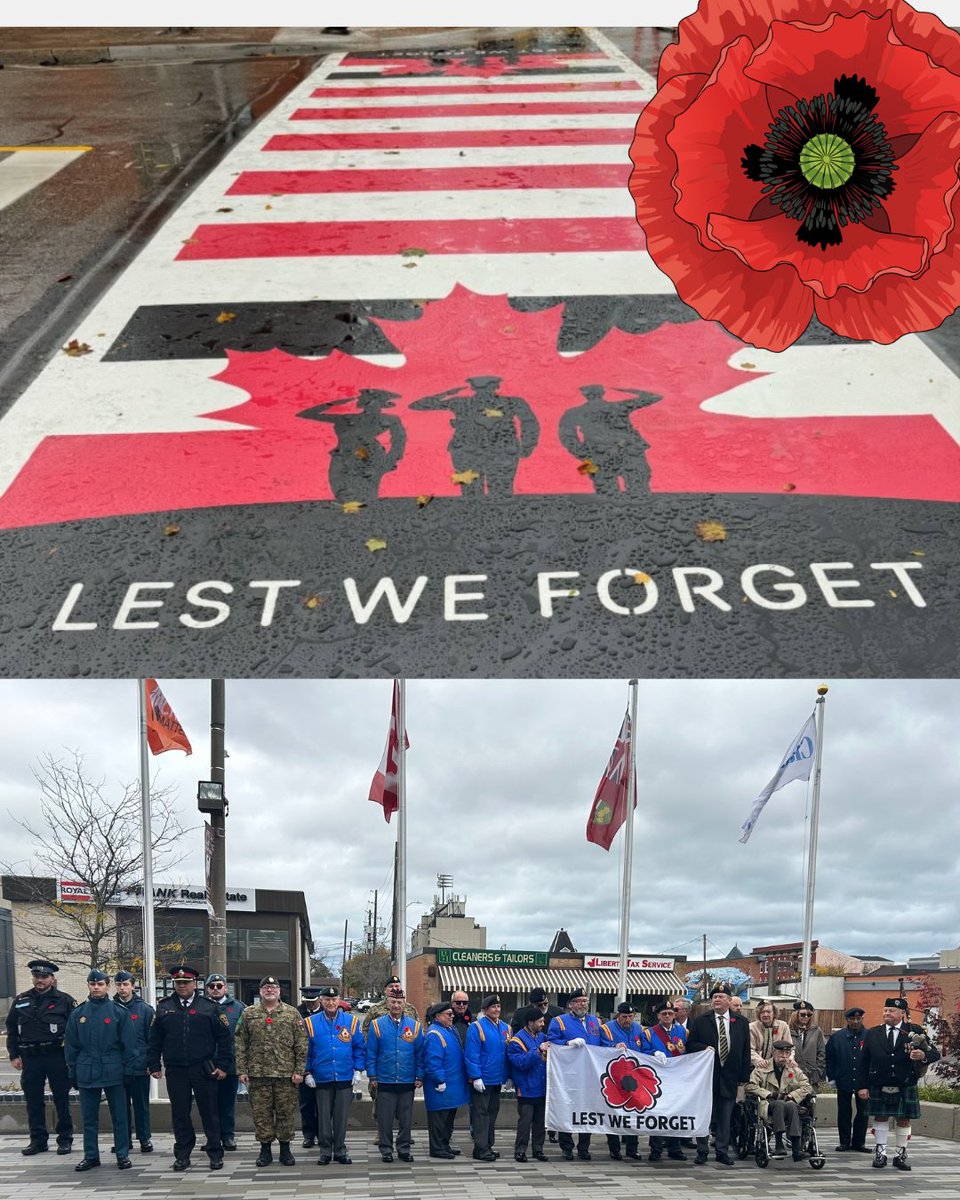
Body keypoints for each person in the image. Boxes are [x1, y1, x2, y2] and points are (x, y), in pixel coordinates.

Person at [146, 965, 233, 1172]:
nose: (182, 986)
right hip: (176, 1069)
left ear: (195, 984)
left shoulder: (209, 1007)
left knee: (209, 1112)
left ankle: (215, 1152)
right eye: (178, 983)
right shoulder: (164, 1007)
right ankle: (183, 1154)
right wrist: (153, 1064)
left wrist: (223, 1066)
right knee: (180, 1113)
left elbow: (224, 1039)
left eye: (186, 982)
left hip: (203, 1068)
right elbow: (154, 1040)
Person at [411, 375, 540, 498]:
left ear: (496, 386)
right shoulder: (461, 402)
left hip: (500, 451)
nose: (485, 391)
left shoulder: (511, 402)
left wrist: (528, 445)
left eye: (488, 387)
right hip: (469, 452)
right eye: (481, 387)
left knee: (500, 493)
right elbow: (417, 405)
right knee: (471, 494)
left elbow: (530, 422)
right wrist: (448, 393)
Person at [64, 969, 139, 1172]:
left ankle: (122, 1155)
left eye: (100, 984)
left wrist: (128, 1071)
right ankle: (91, 1156)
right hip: (87, 1071)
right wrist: (72, 1072)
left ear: (107, 986)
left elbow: (129, 1045)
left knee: (120, 1117)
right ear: (88, 986)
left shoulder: (118, 1012)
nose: (96, 987)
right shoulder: (78, 1014)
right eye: (92, 984)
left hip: (114, 1071)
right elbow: (71, 1046)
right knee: (89, 1118)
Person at [855, 996, 940, 1171]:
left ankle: (900, 1155)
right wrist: (862, 1086)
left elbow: (934, 1053)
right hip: (879, 1082)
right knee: (880, 1117)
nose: (887, 1013)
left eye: (891, 1011)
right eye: (885, 1010)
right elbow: (863, 1062)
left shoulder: (914, 1031)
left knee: (904, 1119)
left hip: (905, 1082)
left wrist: (923, 1056)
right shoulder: (873, 1033)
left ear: (902, 1013)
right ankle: (881, 1154)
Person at [5, 959, 76, 1156]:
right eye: (37, 976)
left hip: (56, 1056)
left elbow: (73, 1032)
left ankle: (65, 1138)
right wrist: (14, 1055)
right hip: (30, 1058)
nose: (40, 980)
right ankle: (38, 1140)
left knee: (62, 1099)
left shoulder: (65, 1001)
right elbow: (12, 1029)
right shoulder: (21, 1000)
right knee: (33, 1101)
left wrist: (72, 1058)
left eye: (44, 977)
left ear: (52, 979)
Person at [235, 975, 308, 1167]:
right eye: (266, 987)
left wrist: (300, 1070)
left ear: (279, 991)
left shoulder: (292, 1014)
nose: (269, 990)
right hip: (258, 1074)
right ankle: (265, 1150)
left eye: (273, 987)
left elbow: (301, 1044)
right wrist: (241, 1069)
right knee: (261, 1114)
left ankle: (285, 1150)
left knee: (286, 1113)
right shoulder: (249, 1013)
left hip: (286, 1075)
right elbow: (240, 1042)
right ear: (260, 991)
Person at [297, 388, 407, 502]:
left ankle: (364, 514)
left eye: (371, 400)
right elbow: (306, 414)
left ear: (380, 402)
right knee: (340, 489)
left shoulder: (390, 419)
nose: (361, 399)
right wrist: (334, 403)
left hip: (370, 456)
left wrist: (391, 459)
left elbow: (399, 439)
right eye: (365, 399)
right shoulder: (347, 418)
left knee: (366, 491)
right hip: (343, 455)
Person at [686, 983, 751, 1166]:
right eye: (714, 997)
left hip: (729, 1077)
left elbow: (745, 1051)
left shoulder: (741, 1022)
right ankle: (702, 1150)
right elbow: (690, 1046)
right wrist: (703, 1048)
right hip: (707, 1078)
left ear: (729, 1001)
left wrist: (743, 1077)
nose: (717, 999)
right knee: (705, 1115)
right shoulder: (701, 1020)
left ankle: (722, 1151)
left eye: (721, 997)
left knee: (725, 1117)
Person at [558, 384, 662, 495]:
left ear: (584, 394)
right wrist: (625, 388)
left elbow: (567, 437)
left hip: (599, 453)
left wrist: (583, 454)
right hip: (626, 451)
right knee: (638, 490)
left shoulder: (574, 412)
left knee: (607, 492)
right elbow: (654, 397)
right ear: (603, 392)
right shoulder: (619, 406)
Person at [303, 983, 364, 1166]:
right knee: (323, 1117)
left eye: (334, 999)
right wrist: (307, 1073)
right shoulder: (310, 1023)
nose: (331, 1002)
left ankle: (340, 1151)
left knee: (341, 1117)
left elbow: (359, 1048)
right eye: (327, 999)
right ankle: (324, 1151)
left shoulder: (351, 1021)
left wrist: (358, 1070)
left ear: (339, 1001)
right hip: (321, 1076)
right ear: (321, 1001)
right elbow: (305, 1051)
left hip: (345, 1076)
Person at [365, 986, 423, 1163]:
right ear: (387, 1003)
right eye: (393, 1002)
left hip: (406, 1078)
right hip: (385, 1078)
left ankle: (404, 1148)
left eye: (399, 1002)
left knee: (406, 1118)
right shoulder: (377, 1025)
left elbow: (420, 1053)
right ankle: (386, 1149)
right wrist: (373, 1075)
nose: (396, 1005)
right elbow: (371, 1052)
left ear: (404, 1003)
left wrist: (419, 1076)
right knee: (385, 1118)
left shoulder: (415, 1026)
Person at [547, 988, 602, 1161]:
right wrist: (567, 1043)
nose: (582, 1004)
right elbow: (551, 1041)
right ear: (570, 1004)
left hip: (589, 1075)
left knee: (587, 1110)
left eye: (585, 1001)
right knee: (567, 1108)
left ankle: (584, 1148)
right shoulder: (559, 1021)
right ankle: (567, 1147)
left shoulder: (595, 1022)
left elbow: (603, 1043)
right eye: (578, 1001)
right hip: (568, 1075)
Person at [745, 1039, 814, 1161]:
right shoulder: (763, 1067)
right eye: (780, 1053)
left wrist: (792, 1096)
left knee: (791, 1105)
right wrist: (769, 1094)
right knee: (780, 1103)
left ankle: (797, 1149)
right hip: (768, 1104)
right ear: (773, 1052)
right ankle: (778, 1143)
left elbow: (807, 1087)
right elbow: (750, 1086)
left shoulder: (794, 1069)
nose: (783, 1056)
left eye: (787, 1053)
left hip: (789, 1104)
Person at [598, 1001, 650, 1161]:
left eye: (630, 1016)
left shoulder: (639, 1029)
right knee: (614, 1112)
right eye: (624, 1016)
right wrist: (614, 1046)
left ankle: (632, 1148)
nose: (628, 1019)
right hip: (614, 1078)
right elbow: (600, 1049)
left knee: (635, 1112)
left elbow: (644, 1049)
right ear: (617, 1016)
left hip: (635, 1078)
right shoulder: (606, 1029)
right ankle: (614, 1148)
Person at [464, 993, 511, 1162]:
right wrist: (475, 1076)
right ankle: (480, 1148)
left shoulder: (506, 1027)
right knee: (481, 1115)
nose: (497, 1010)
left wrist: (508, 1076)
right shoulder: (476, 1027)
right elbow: (472, 1054)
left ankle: (488, 1145)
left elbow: (506, 1054)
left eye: (498, 1007)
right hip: (482, 1080)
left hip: (497, 1079)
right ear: (485, 1009)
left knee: (492, 1114)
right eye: (493, 1007)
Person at [420, 1000, 470, 1159]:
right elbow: (432, 1061)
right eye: (448, 1014)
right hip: (441, 1086)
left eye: (452, 1013)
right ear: (438, 1016)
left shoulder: (448, 1030)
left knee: (447, 1120)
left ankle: (444, 1145)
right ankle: (437, 1148)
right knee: (438, 1120)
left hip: (452, 1086)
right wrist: (440, 1080)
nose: (452, 1016)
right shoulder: (435, 1034)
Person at [112, 971, 154, 1153]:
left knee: (141, 1105)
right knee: (119, 1107)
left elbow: (151, 1040)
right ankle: (124, 1139)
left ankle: (144, 1138)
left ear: (133, 986)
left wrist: (150, 1064)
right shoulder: (110, 1008)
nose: (122, 988)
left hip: (139, 1066)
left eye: (126, 984)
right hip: (116, 1067)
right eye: (119, 984)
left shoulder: (145, 1009)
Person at [204, 973, 244, 1151]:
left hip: (229, 1064)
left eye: (219, 986)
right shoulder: (201, 1006)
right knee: (208, 1105)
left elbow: (243, 1038)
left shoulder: (238, 1008)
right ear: (207, 989)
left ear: (225, 988)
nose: (215, 989)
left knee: (227, 1103)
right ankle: (212, 1138)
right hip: (206, 1064)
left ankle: (228, 1136)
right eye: (212, 986)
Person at [646, 998, 688, 1161]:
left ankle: (674, 1147)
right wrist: (653, 1054)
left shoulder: (683, 1032)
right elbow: (642, 1051)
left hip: (677, 1078)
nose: (668, 1016)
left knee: (675, 1112)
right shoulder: (649, 1033)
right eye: (664, 1013)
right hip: (658, 1078)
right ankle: (655, 1149)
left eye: (671, 1013)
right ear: (658, 1016)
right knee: (657, 1113)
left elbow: (688, 1052)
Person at [507, 1005, 549, 1163]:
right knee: (525, 1122)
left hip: (542, 1087)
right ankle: (520, 1151)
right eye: (540, 1021)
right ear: (530, 1022)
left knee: (540, 1122)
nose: (542, 1024)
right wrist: (538, 1051)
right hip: (526, 1088)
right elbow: (521, 1063)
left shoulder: (542, 1036)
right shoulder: (516, 1041)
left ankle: (538, 1149)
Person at [826, 1006, 870, 1153]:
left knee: (863, 1112)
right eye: (852, 1019)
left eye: (859, 1019)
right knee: (844, 1111)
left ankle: (859, 1142)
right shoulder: (837, 1037)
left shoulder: (870, 1036)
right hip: (843, 1078)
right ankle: (844, 1142)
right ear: (847, 1020)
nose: (856, 1022)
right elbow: (830, 1059)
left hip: (863, 1081)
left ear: (862, 1019)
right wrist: (831, 1077)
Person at [297, 986, 324, 1148]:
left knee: (323, 1104)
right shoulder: (297, 1013)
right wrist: (304, 1072)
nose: (310, 1005)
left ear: (319, 999)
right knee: (306, 1103)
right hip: (303, 1062)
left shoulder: (326, 1013)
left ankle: (323, 1133)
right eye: (307, 1002)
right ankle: (308, 1135)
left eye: (313, 1002)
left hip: (322, 1064)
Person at [789, 1000, 826, 1092]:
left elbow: (821, 1053)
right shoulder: (787, 1030)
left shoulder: (816, 1031)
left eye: (809, 1015)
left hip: (811, 1074)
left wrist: (818, 1071)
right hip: (792, 1073)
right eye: (802, 1014)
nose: (806, 1017)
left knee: (811, 1102)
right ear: (796, 1014)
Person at [749, 1001, 792, 1071]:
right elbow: (750, 1049)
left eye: (768, 1012)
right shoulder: (751, 1027)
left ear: (774, 1013)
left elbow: (790, 1047)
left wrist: (790, 1058)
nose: (765, 1014)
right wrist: (759, 1061)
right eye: (762, 1012)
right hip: (756, 1067)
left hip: (779, 1066)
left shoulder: (783, 1026)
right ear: (758, 1014)